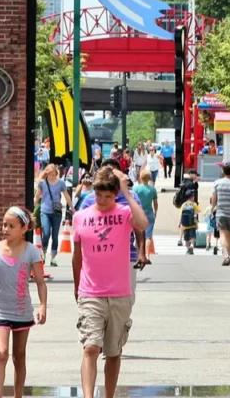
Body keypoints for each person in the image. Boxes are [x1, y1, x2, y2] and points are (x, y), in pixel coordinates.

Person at [72, 166, 149, 398]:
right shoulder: (81, 217)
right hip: (90, 291)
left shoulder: (125, 214)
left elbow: (142, 224)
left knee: (114, 351)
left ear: (114, 194)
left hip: (119, 293)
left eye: (108, 196)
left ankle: (109, 395)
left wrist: (125, 191)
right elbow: (77, 256)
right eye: (98, 195)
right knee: (91, 347)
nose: (103, 200)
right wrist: (77, 287)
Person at [0, 207, 48, 398]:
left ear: (24, 228)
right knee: (2, 352)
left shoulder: (31, 251)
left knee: (19, 356)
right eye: (4, 225)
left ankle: (18, 395)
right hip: (0, 310)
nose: (5, 229)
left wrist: (43, 305)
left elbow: (40, 282)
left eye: (11, 226)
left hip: (22, 311)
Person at [77, 159, 148, 288]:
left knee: (124, 300)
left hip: (126, 257)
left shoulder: (130, 198)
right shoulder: (90, 199)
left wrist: (141, 253)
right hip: (96, 261)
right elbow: (79, 232)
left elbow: (140, 227)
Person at [36, 164, 70, 268]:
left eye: (54, 174)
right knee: (46, 233)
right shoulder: (42, 183)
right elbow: (37, 196)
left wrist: (72, 208)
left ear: (56, 173)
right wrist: (32, 207)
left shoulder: (60, 183)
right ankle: (44, 253)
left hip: (56, 212)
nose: (52, 176)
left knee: (55, 236)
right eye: (50, 174)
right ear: (46, 174)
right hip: (45, 211)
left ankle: (53, 257)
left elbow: (66, 196)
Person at [131, 169, 158, 259]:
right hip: (149, 213)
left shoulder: (136, 188)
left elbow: (133, 201)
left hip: (138, 214)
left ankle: (139, 253)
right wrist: (156, 212)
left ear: (141, 177)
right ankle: (147, 254)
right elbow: (155, 203)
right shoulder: (152, 189)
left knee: (137, 234)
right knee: (148, 236)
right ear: (149, 178)